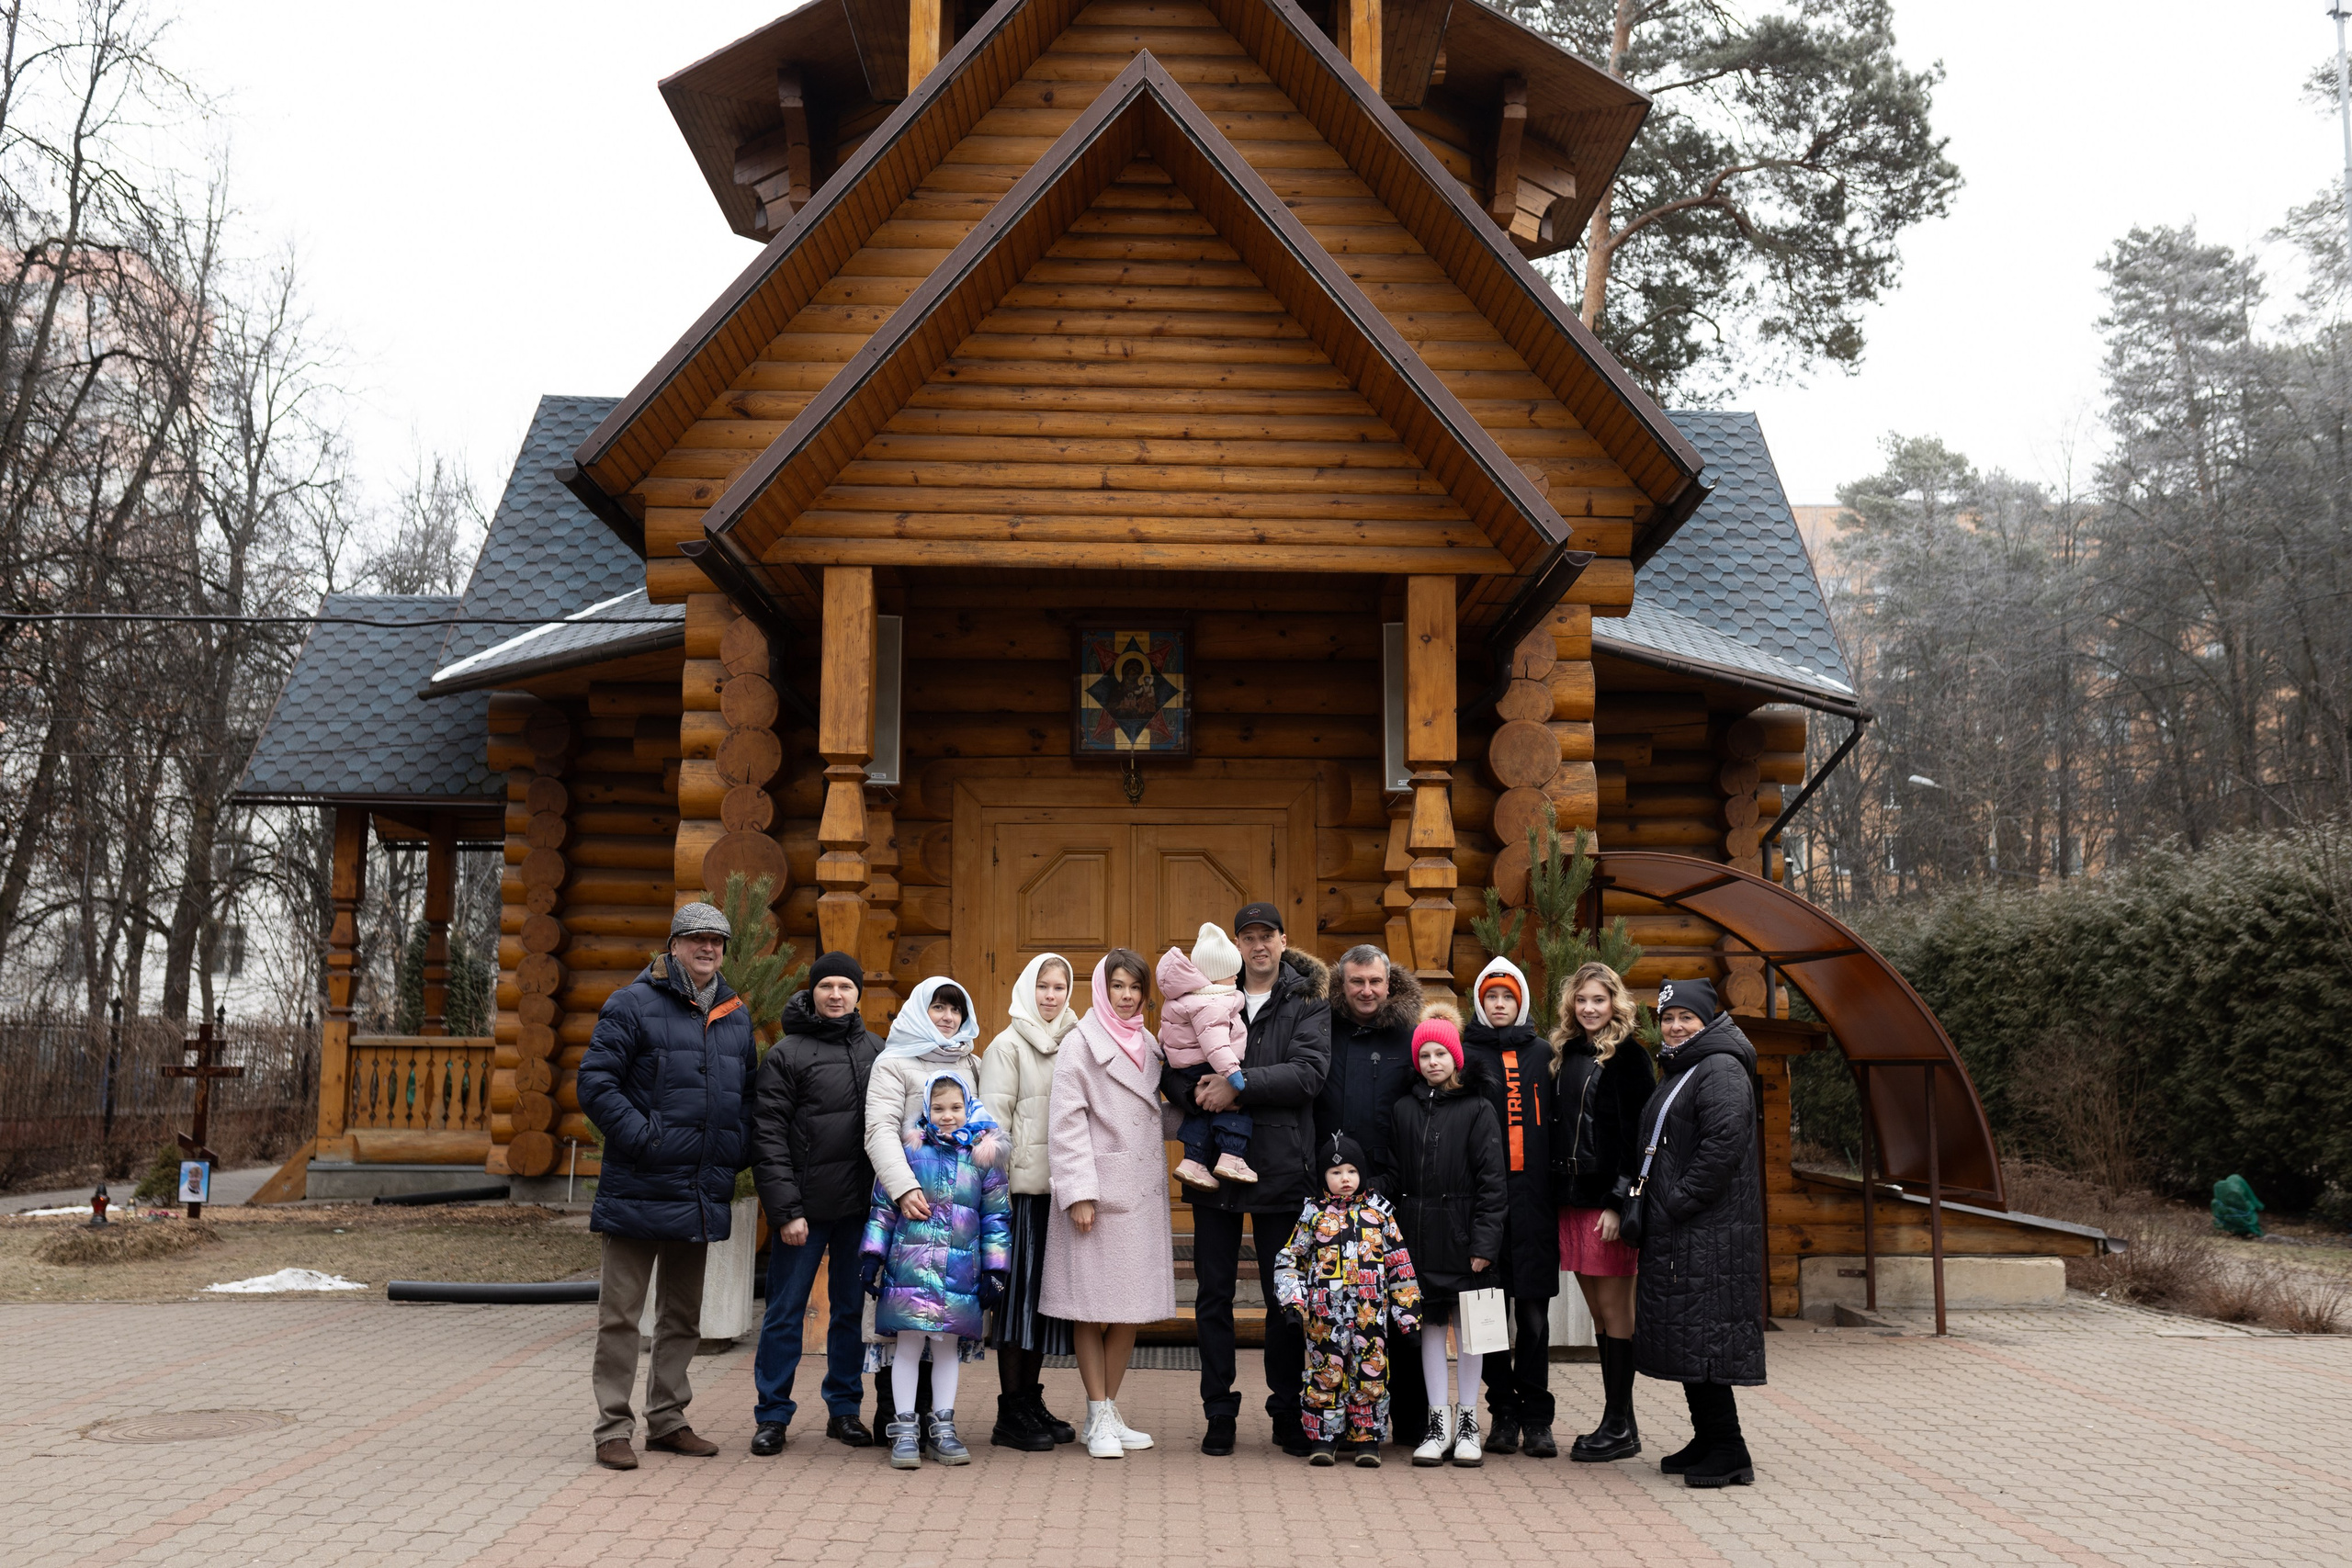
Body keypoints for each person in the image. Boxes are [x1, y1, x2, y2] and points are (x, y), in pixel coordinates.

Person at [576, 902, 756, 1472]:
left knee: (682, 1317)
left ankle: (668, 1420)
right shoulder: (631, 1004)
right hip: (638, 1182)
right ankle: (612, 1427)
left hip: (698, 1188)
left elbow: (747, 1098)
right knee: (620, 1317)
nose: (708, 948)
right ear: (673, 945)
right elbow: (595, 1083)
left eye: (717, 942)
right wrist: (644, 1138)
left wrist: (734, 1149)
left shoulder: (735, 1016)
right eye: (697, 938)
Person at [1161, 902, 1330, 1458]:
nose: (1259, 945)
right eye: (1248, 937)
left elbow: (1309, 1074)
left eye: (1267, 935)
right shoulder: (1206, 989)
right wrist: (1195, 1094)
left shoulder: (1307, 999)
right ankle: (1219, 1411)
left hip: (1281, 1165)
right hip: (1214, 1166)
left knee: (1285, 1297)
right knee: (1214, 1295)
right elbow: (1173, 1065)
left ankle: (1286, 1411)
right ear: (1236, 945)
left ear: (1283, 939)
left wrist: (1238, 1085)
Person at [1040, 951, 1178, 1459]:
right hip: (1096, 1196)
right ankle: (1096, 1413)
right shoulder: (1081, 1043)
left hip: (1138, 1194)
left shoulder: (1150, 1044)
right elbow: (1066, 1122)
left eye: (1135, 987)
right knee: (1090, 1308)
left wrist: (1207, 1115)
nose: (1127, 996)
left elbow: (1152, 1114)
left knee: (1128, 1310)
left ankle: (1109, 1410)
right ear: (1102, 988)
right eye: (1118, 985)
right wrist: (1078, 1193)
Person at [748, 949, 884, 1456]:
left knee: (849, 1312)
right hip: (803, 1213)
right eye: (826, 986)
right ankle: (772, 1415)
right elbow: (768, 1137)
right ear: (812, 991)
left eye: (845, 986)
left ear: (857, 994)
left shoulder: (877, 1050)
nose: (836, 995)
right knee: (785, 1312)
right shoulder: (787, 1054)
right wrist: (786, 1211)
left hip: (859, 1211)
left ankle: (844, 1410)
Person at [1630, 977, 1764, 1488]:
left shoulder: (1720, 1067)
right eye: (1668, 1018)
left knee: (1705, 1337)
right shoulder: (1687, 1067)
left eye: (1686, 1017)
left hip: (1708, 1232)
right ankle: (1708, 1437)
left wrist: (1676, 1201)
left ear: (1707, 1020)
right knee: (1690, 1334)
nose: (1675, 1026)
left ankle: (1729, 1449)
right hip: (1690, 1230)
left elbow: (1723, 1145)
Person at [857, 1075, 1010, 1469]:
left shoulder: (983, 1158)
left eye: (955, 1108)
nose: (947, 1116)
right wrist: (872, 1256)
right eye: (938, 1108)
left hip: (958, 1273)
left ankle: (943, 1428)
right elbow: (883, 1208)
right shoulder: (910, 1151)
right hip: (908, 1269)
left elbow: (996, 1218)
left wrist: (995, 1270)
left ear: (968, 1108)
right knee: (907, 1348)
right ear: (926, 1109)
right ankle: (904, 1429)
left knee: (946, 1350)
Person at [1312, 943, 1427, 1445]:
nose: (1366, 991)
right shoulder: (1322, 1028)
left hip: (1391, 1192)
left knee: (1397, 1306)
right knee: (1334, 1313)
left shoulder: (1409, 1035)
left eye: (1374, 981)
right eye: (1356, 981)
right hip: (1329, 1197)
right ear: (1342, 983)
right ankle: (1333, 1420)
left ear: (1389, 982)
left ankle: (1412, 1419)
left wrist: (1392, 1179)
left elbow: (1423, 1108)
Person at [860, 975, 981, 1430]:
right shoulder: (893, 1062)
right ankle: (895, 1419)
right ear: (920, 1010)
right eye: (939, 1007)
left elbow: (980, 1132)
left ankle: (937, 1420)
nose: (948, 1017)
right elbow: (880, 1129)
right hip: (907, 1210)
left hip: (956, 1215)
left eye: (956, 1009)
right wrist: (904, 1188)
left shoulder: (971, 1063)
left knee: (945, 1323)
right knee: (903, 1319)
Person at [1386, 1011, 1506, 1468]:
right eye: (1424, 1055)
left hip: (1465, 1236)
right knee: (1431, 1330)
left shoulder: (1478, 1108)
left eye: (1440, 1053)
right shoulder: (1403, 1109)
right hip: (1418, 1238)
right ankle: (1438, 1424)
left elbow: (1493, 1183)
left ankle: (1468, 1422)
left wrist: (1484, 1244)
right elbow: (1395, 1173)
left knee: (1471, 1331)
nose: (1432, 1061)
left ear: (1456, 1058)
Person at [974, 951, 1080, 1451]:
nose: (1051, 995)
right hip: (1019, 1198)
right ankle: (1010, 1411)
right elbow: (992, 1131)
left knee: (1042, 1305)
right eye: (1042, 986)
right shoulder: (1007, 1046)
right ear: (1026, 989)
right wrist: (997, 1198)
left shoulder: (1077, 1041)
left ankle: (1029, 1399)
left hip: (1061, 1195)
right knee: (1017, 1304)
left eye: (1059, 987)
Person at [1551, 961, 1657, 1463]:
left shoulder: (1629, 1057)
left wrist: (1618, 1202)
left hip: (1605, 1203)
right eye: (1582, 1000)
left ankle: (1619, 1424)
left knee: (1617, 1313)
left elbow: (1638, 1138)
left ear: (1616, 1002)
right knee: (1598, 1312)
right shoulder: (1567, 1053)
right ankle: (1620, 1423)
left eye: (1599, 999)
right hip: (1572, 1200)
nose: (1589, 1008)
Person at [1460, 955, 1562, 1458]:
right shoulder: (1464, 1053)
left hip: (1535, 1205)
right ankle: (1502, 1412)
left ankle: (1537, 1418)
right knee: (1488, 1317)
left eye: (1508, 997)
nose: (1499, 1004)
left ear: (1520, 1003)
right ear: (1480, 1003)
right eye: (1491, 997)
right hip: (1485, 1206)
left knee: (1534, 1319)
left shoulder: (1543, 1054)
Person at [1272, 1134, 1422, 1467]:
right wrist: (1293, 1304)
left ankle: (1367, 1440)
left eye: (1352, 1171)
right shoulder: (1313, 1215)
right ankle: (1324, 1438)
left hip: (1370, 1317)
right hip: (1325, 1318)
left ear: (1362, 1174)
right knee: (1326, 1373)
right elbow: (1291, 1260)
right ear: (1323, 1177)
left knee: (1371, 1375)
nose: (1345, 1179)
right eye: (1336, 1172)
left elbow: (1400, 1266)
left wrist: (1409, 1318)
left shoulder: (1379, 1214)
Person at [1156, 923, 1254, 1190]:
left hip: (1188, 1066)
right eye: (1231, 973)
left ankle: (1193, 1162)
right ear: (1217, 976)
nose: (1236, 977)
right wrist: (1233, 1074)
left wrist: (1166, 1048)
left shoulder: (1185, 997)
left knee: (1201, 1113)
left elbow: (1166, 1033)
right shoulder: (1213, 1003)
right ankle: (1232, 1157)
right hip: (1209, 1063)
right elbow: (1215, 1045)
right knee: (1234, 1108)